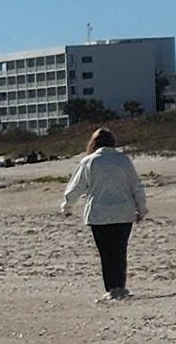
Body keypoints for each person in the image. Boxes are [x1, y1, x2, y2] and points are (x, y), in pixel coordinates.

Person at [59, 127, 146, 300]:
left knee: (106, 253)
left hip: (99, 213)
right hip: (124, 212)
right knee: (120, 251)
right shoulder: (123, 160)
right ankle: (120, 286)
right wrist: (142, 209)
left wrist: (67, 206)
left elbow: (76, 187)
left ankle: (111, 288)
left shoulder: (89, 161)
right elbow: (135, 186)